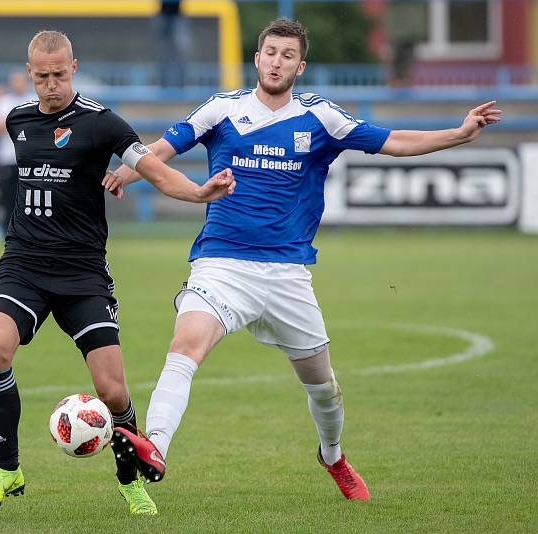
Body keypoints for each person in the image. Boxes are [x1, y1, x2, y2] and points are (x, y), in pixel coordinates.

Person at [104, 17, 501, 502]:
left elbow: (392, 141)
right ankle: (156, 447)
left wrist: (458, 135)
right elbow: (161, 151)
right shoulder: (222, 109)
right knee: (185, 345)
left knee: (324, 388)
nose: (277, 62)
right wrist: (130, 172)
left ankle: (332, 455)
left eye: (287, 55)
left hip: (288, 275)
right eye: (270, 52)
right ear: (256, 58)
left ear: (300, 65)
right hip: (222, 264)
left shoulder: (321, 117)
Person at [0, 30, 234, 516]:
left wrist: (197, 193)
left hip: (83, 272)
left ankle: (129, 480)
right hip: (23, 265)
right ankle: (8, 470)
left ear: (74, 67)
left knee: (112, 390)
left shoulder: (103, 123)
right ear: (29, 73)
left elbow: (152, 168)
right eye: (42, 76)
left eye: (59, 74)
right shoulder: (17, 120)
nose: (51, 84)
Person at [0, 71, 34, 243]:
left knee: (29, 198)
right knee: (8, 198)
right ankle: (10, 234)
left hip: (30, 159)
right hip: (7, 159)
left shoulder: (34, 100)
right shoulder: (2, 102)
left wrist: (12, 124)